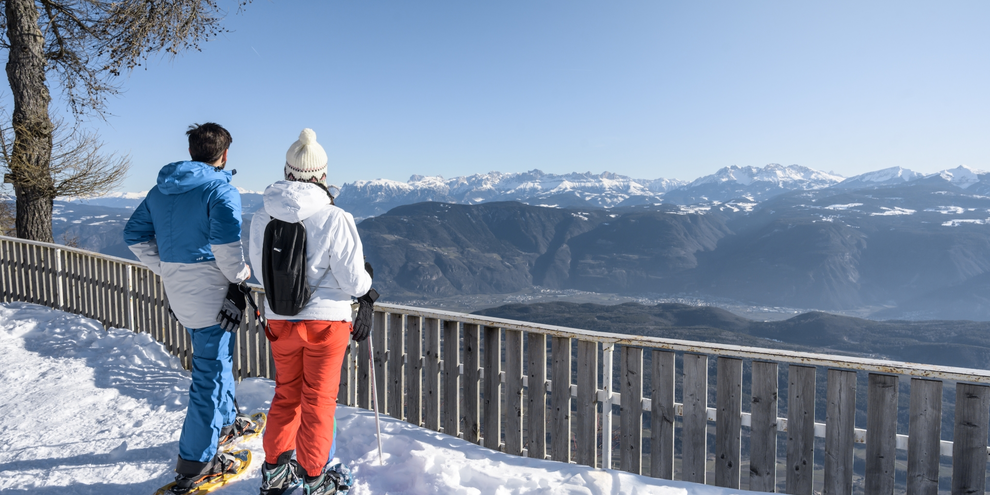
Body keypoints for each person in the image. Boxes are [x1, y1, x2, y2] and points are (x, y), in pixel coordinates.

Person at [123, 123, 259, 493]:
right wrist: (241, 275)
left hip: (180, 291)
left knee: (219, 358)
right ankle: (195, 465)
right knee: (209, 376)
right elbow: (228, 250)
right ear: (224, 154)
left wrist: (167, 266)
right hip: (210, 292)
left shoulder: (160, 190)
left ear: (192, 150)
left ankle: (227, 422)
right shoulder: (221, 188)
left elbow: (133, 235)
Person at [249, 129, 373, 495]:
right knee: (318, 401)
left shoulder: (262, 216)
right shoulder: (335, 218)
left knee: (286, 394)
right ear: (322, 175)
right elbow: (353, 281)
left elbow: (259, 271)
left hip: (279, 319)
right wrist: (368, 288)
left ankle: (274, 471)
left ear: (287, 172)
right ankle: (314, 477)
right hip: (325, 324)